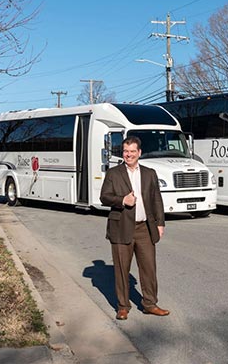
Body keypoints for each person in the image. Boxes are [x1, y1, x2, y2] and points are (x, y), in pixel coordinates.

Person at [100, 136, 169, 320]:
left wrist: (160, 223)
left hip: (145, 228)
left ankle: (150, 304)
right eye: (125, 151)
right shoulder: (114, 173)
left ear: (139, 153)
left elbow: (156, 200)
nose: (128, 155)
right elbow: (104, 197)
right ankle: (123, 306)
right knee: (122, 269)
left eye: (132, 151)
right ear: (122, 153)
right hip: (121, 227)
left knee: (149, 268)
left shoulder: (149, 173)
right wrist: (123, 200)